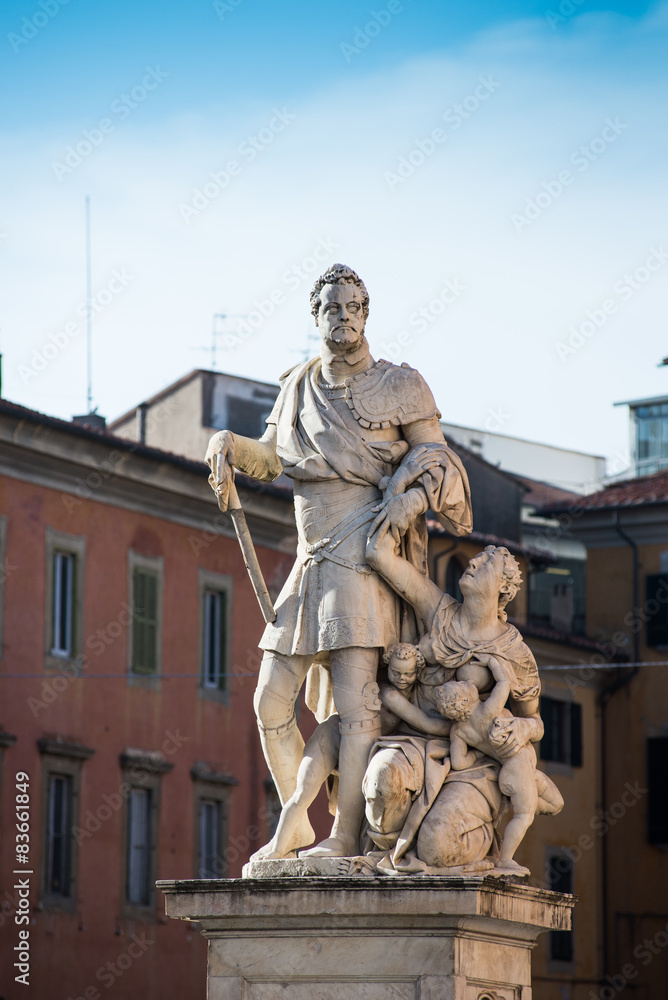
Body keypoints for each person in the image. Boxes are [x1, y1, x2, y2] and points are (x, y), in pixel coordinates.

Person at [205, 264, 472, 858]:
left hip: (363, 556)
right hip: (310, 561)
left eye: (353, 306)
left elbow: (438, 458)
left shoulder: (401, 384)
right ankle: (297, 823)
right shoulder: (299, 384)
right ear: (316, 315)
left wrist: (409, 496)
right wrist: (226, 444)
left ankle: (344, 838)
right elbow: (272, 458)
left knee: (357, 705)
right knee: (270, 701)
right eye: (332, 307)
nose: (343, 315)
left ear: (366, 313)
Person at [363, 532, 545, 871]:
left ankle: (471, 853)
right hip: (415, 741)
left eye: (487, 562)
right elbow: (378, 556)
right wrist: (405, 501)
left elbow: (536, 723)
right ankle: (385, 852)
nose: (473, 561)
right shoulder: (439, 612)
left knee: (438, 847)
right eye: (477, 557)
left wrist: (521, 727)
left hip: (475, 766)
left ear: (504, 588)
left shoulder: (515, 654)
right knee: (381, 783)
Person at [436, 656, 563, 872]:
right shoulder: (488, 710)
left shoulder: (458, 731)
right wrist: (492, 660)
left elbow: (458, 762)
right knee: (524, 816)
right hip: (517, 771)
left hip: (519, 773)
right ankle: (505, 859)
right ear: (465, 700)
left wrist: (475, 757)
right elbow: (504, 683)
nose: (468, 683)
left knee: (556, 803)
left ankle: (517, 801)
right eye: (462, 685)